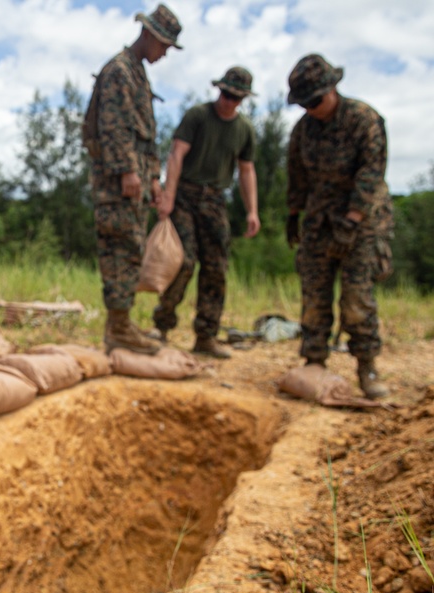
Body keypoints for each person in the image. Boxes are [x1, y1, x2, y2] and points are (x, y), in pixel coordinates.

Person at [285, 54, 393, 399]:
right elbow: (296, 175)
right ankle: (314, 361)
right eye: (305, 103)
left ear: (333, 89)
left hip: (361, 221)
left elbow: (372, 174)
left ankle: (366, 366)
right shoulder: (303, 129)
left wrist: (353, 220)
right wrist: (293, 213)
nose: (311, 108)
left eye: (315, 101)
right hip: (319, 219)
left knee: (356, 297)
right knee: (314, 293)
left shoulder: (364, 120)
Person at [84, 3, 183, 355]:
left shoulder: (138, 74)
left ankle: (121, 325)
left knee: (130, 249)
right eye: (165, 46)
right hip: (118, 182)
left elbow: (146, 136)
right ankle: (119, 329)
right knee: (120, 249)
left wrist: (153, 179)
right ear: (150, 35)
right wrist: (127, 170)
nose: (165, 54)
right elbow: (113, 127)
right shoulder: (119, 71)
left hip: (135, 182)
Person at [149, 66, 261, 358]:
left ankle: (206, 336)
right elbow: (176, 154)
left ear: (243, 99)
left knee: (216, 268)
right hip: (185, 194)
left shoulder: (245, 130)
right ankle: (161, 327)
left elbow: (246, 170)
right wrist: (168, 196)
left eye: (235, 98)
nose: (228, 101)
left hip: (214, 200)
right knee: (183, 261)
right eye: (225, 94)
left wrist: (252, 211)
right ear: (218, 91)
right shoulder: (198, 116)